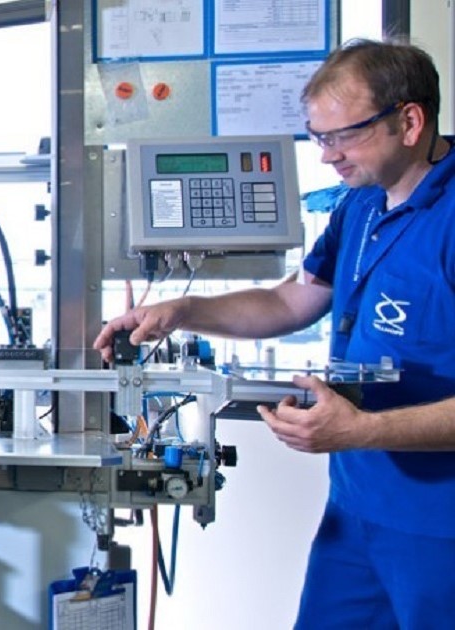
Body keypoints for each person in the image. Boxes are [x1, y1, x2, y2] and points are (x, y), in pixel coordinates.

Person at [93, 39, 455, 629]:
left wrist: (363, 430)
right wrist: (182, 310)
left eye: (342, 136)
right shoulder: (362, 204)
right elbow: (292, 300)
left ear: (409, 122)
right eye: (318, 137)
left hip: (440, 524)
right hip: (357, 510)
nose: (327, 157)